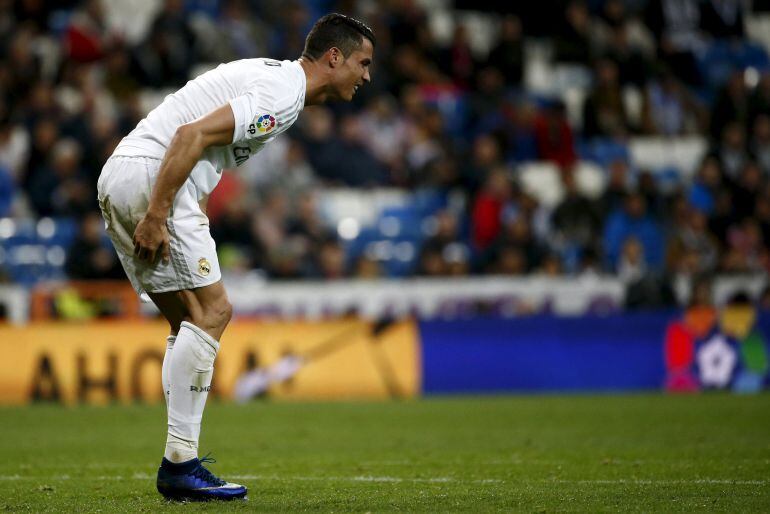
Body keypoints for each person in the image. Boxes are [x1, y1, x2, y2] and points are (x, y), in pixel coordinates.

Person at [96, 13, 374, 501]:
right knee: (215, 312)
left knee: (189, 321)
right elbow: (189, 137)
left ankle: (180, 461)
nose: (367, 76)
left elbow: (202, 148)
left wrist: (187, 216)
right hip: (153, 178)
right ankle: (179, 463)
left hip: (125, 173)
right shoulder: (282, 94)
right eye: (363, 63)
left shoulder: (275, 80)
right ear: (334, 57)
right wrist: (158, 213)